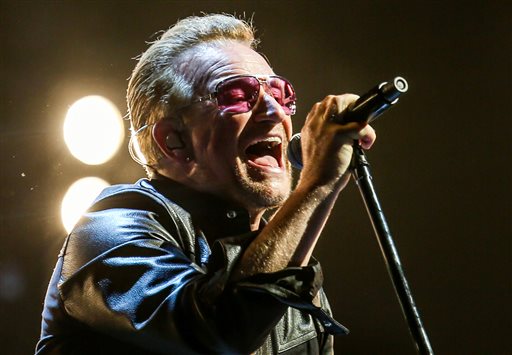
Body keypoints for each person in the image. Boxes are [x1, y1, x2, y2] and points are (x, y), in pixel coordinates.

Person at [36, 13, 376, 354]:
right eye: (238, 94)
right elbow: (217, 334)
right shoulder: (109, 229)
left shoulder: (290, 264)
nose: (275, 111)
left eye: (280, 92)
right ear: (175, 141)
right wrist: (316, 185)